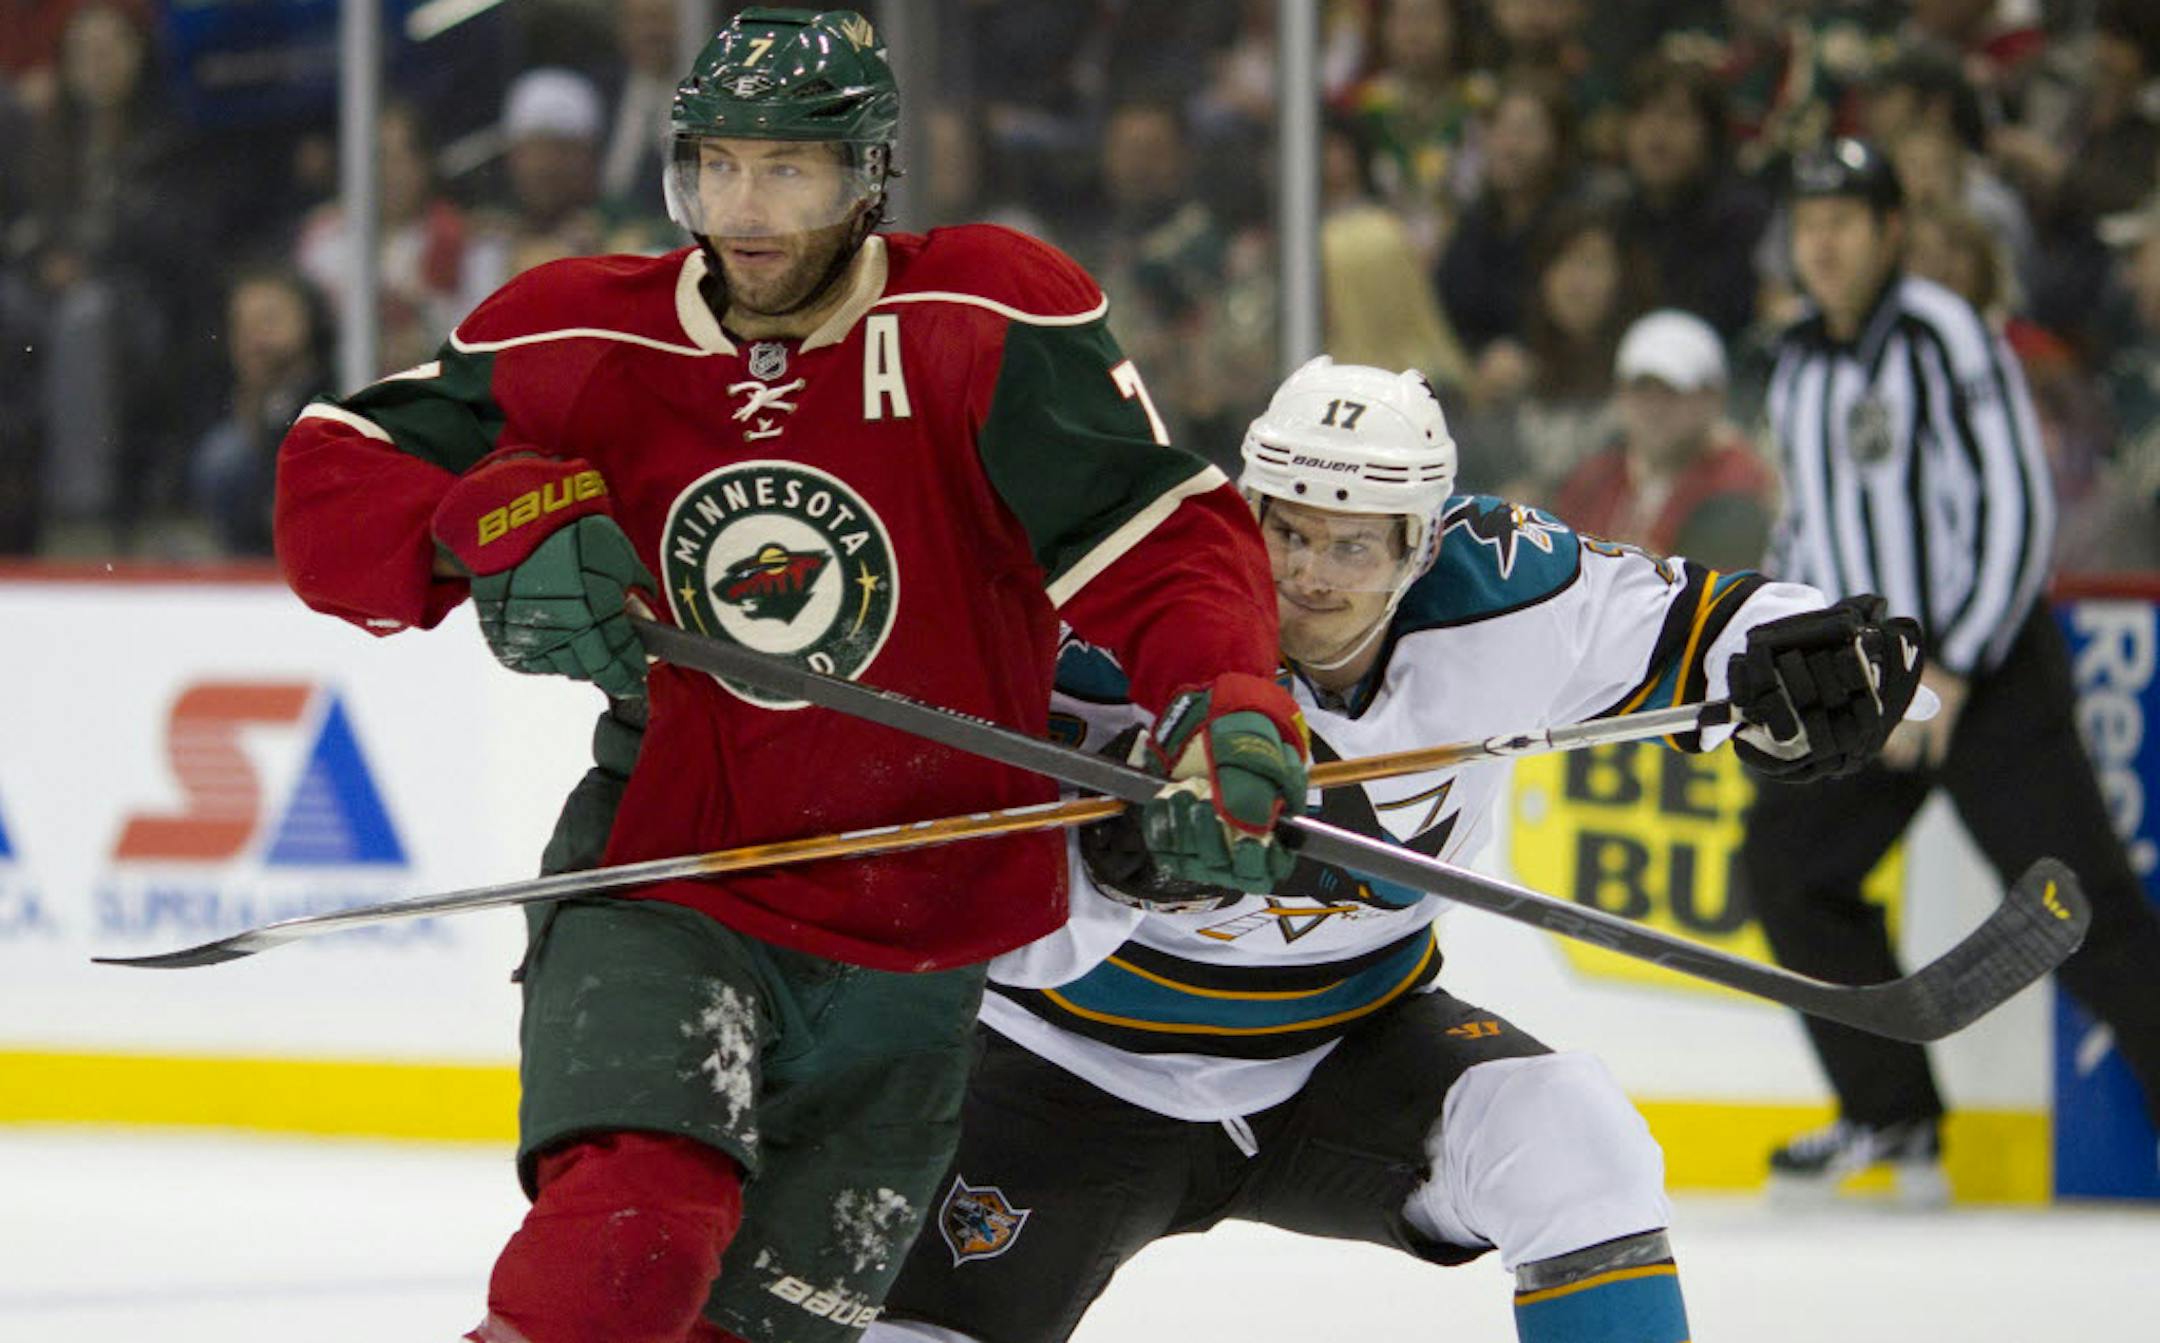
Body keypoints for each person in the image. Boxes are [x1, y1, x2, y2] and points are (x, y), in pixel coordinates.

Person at [270, 11, 1309, 1343]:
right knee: (628, 1250)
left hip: (919, 928)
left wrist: (1223, 701)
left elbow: (1164, 540)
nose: (745, 210)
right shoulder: (588, 335)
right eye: (716, 167)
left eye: (791, 171)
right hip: (669, 873)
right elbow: (334, 466)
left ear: (869, 177)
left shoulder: (980, 323)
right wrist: (474, 519)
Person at [865, 356, 1923, 1343]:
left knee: (1573, 1133)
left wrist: (1815, 656)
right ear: (1246, 510)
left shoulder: (1507, 584)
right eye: (1288, 532)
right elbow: (945, 870)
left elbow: (1702, 621)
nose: (1311, 576)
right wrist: (1106, 863)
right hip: (1063, 1070)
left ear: (1420, 542)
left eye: (1355, 544)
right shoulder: (1115, 611)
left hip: (1345, 1050)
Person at [1744, 138, 2160, 1202]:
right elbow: (1806, 526)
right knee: (1790, 873)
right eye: (1810, 223)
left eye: (1845, 222)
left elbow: (2018, 506)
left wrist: (1959, 667)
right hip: (1863, 684)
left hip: (1986, 674)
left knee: (2080, 899)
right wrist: (1779, 642)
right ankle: (1893, 1116)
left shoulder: (1942, 335)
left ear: (1890, 231)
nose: (1823, 243)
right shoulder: (1793, 359)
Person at [1553, 308, 1774, 572]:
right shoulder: (1592, 480)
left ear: (1713, 399)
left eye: (1671, 392)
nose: (1654, 408)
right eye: (1641, 389)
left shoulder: (1737, 488)